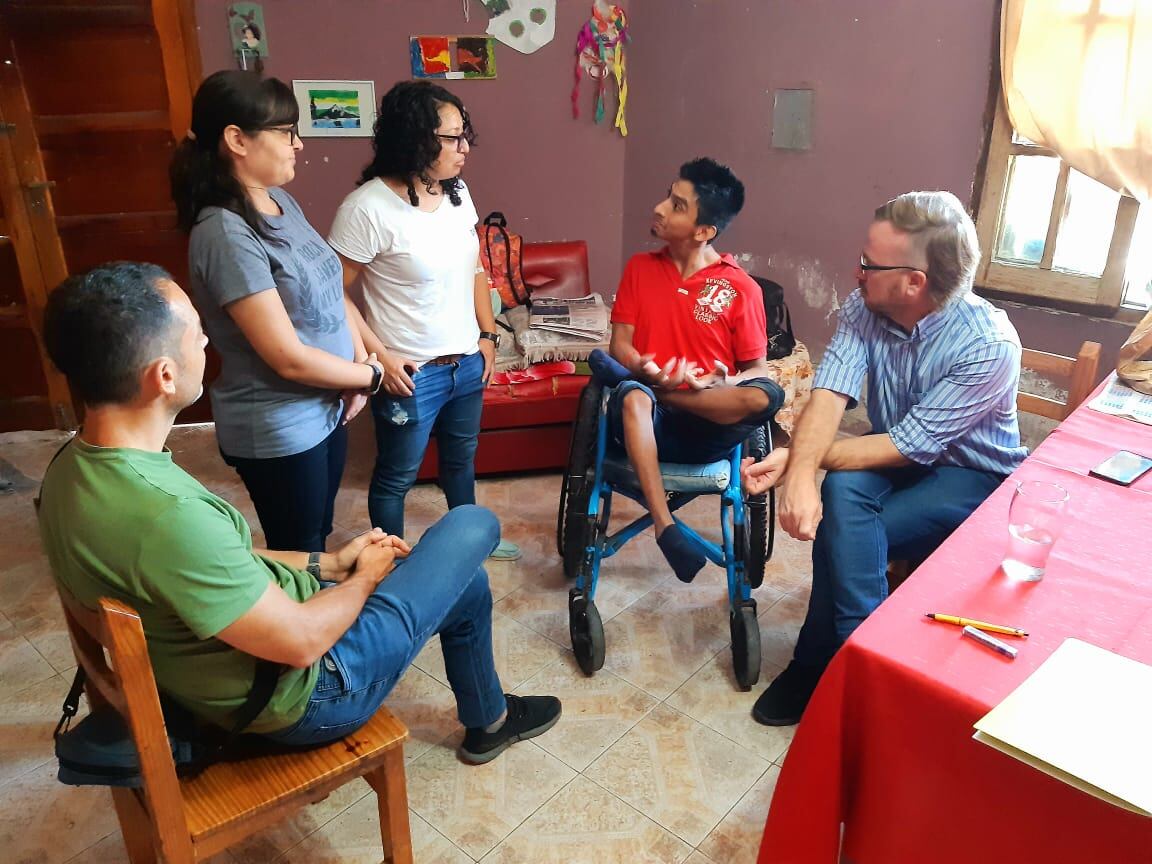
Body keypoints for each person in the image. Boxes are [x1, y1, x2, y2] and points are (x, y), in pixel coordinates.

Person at [37, 262, 561, 762]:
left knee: (461, 582)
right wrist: (364, 579)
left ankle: (488, 723)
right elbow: (301, 642)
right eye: (196, 331)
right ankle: (486, 719)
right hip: (305, 695)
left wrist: (329, 566)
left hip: (223, 668)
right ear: (164, 377)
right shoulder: (167, 515)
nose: (206, 341)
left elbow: (223, 560)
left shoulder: (72, 468)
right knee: (473, 525)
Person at [744, 190, 1027, 726]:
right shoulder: (866, 305)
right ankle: (866, 668)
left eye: (869, 264)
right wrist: (799, 469)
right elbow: (829, 395)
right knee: (841, 493)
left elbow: (910, 445)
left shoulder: (988, 345)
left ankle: (823, 667)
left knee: (844, 533)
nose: (855, 272)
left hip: (971, 474)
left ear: (914, 281)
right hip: (896, 450)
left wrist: (798, 461)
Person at [170, 70, 384, 553]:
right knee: (298, 550)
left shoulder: (279, 201)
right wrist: (366, 377)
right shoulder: (225, 232)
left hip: (326, 407)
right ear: (236, 140)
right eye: (286, 133)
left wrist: (355, 374)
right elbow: (285, 357)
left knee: (317, 536)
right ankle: (304, 627)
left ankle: (316, 620)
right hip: (280, 425)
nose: (299, 144)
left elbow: (332, 288)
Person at [328, 80, 519, 560]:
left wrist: (487, 335)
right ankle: (390, 563)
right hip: (410, 373)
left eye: (464, 135)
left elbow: (476, 266)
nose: (465, 148)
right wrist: (378, 356)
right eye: (452, 137)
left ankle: (470, 543)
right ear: (415, 137)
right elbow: (332, 295)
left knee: (461, 462)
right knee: (397, 477)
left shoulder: (457, 193)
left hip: (466, 364)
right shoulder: (366, 208)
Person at [587, 157, 784, 583]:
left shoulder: (741, 289)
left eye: (676, 205)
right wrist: (644, 367)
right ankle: (665, 526)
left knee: (768, 395)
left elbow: (755, 370)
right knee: (634, 393)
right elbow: (620, 344)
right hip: (646, 419)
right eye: (667, 196)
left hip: (707, 423)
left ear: (703, 231)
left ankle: (667, 391)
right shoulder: (641, 269)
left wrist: (716, 382)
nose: (659, 208)